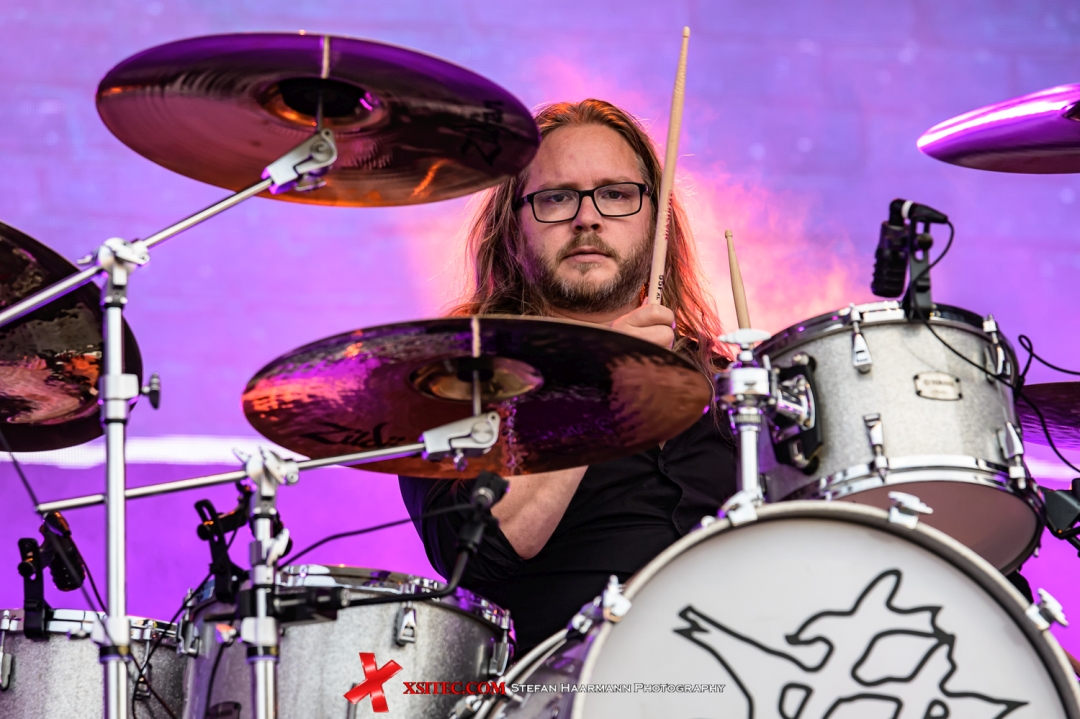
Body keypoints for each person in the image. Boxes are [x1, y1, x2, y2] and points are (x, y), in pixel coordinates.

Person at [399, 99, 738, 655]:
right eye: (556, 197)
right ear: (513, 227)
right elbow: (479, 557)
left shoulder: (732, 385)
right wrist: (602, 382)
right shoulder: (456, 378)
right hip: (570, 685)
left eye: (616, 194)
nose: (588, 217)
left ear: (658, 221)